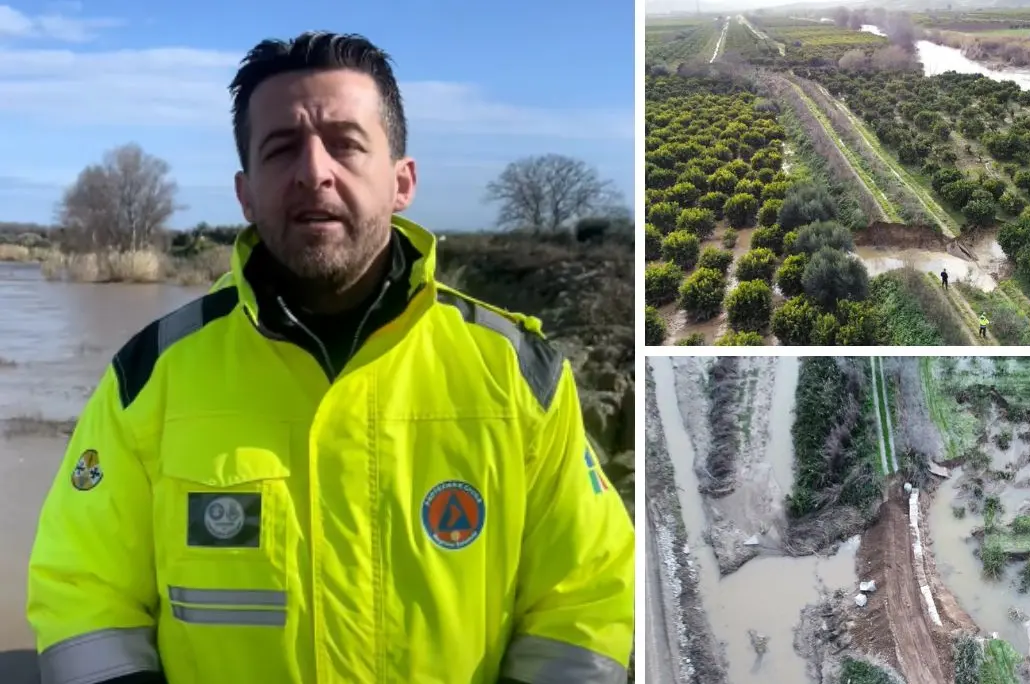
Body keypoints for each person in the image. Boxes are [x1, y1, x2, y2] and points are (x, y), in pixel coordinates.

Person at [26, 32, 634, 684]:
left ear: (402, 181)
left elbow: (585, 598)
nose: (313, 171)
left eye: (345, 144)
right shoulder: (152, 376)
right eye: (281, 148)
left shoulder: (517, 374)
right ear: (245, 195)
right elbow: (82, 592)